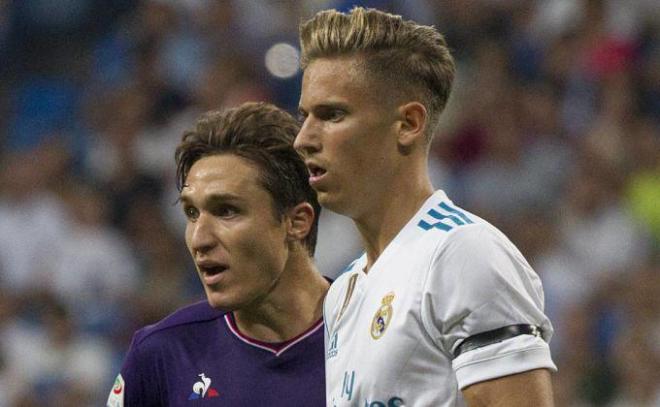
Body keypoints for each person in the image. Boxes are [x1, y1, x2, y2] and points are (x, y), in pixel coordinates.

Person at [294, 7, 557, 407]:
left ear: (408, 124)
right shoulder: (343, 291)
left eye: (332, 115)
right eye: (304, 116)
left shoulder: (462, 254)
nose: (303, 139)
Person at [107, 102, 329, 406]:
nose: (199, 239)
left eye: (226, 211)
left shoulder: (375, 333)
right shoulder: (162, 355)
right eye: (191, 213)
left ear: (297, 221)